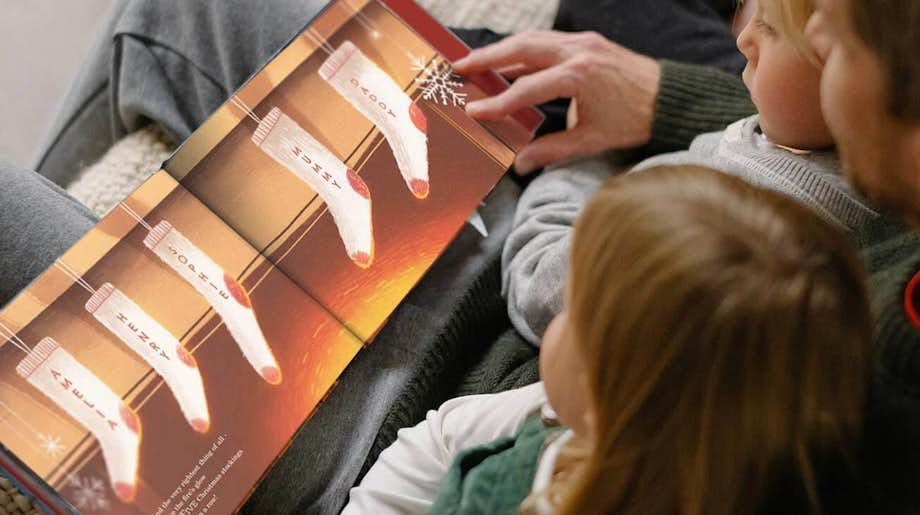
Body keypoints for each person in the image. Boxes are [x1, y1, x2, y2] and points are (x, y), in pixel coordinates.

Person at [342, 165, 873, 514]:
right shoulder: (646, 426)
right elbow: (444, 433)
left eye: (575, 309)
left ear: (613, 395)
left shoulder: (500, 490)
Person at [500, 0, 872, 344]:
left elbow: (538, 290)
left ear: (853, 78)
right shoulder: (863, 175)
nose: (743, 39)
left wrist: (584, 159)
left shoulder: (717, 225)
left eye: (770, 28)